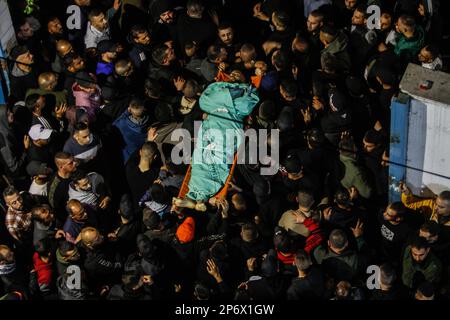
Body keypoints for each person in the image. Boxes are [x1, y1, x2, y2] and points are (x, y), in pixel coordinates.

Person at [113, 97, 150, 163]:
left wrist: (126, 113)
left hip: (125, 156)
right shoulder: (149, 125)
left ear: (130, 109)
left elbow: (114, 125)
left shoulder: (122, 124)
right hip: (138, 156)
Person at [125, 141, 161, 206]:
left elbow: (134, 156)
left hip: (131, 205)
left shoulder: (129, 167)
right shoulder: (155, 175)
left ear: (140, 152)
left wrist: (148, 141)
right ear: (155, 157)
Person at [47, 152, 77, 226]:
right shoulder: (55, 187)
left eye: (74, 160)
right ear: (61, 167)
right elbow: (56, 209)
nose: (75, 163)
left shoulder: (75, 171)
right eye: (71, 163)